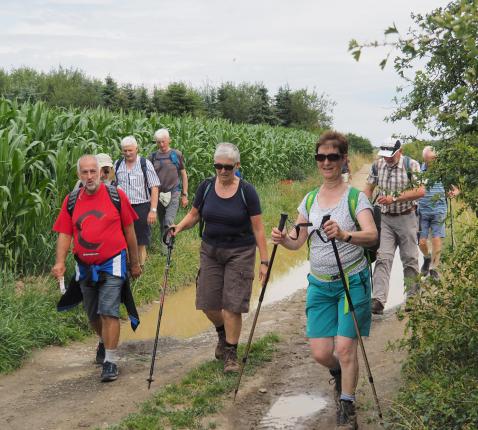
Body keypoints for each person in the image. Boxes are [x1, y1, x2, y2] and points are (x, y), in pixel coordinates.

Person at [272, 131, 377, 429]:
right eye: (321, 157)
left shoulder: (356, 199)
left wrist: (345, 235)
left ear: (344, 160)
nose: (326, 162)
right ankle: (341, 376)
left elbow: (372, 235)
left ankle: (347, 406)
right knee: (321, 353)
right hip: (319, 283)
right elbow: (297, 241)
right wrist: (283, 240)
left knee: (344, 348)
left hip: (351, 282)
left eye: (333, 157)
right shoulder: (309, 200)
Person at [171, 143, 269, 374]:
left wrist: (264, 261)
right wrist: (178, 227)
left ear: (237, 166)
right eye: (218, 166)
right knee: (207, 302)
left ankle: (231, 353)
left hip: (240, 253)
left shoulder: (247, 191)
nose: (222, 171)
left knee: (232, 305)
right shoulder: (206, 187)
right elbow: (194, 215)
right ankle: (223, 333)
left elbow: (259, 229)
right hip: (211, 251)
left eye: (227, 167)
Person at [51, 155, 142, 382]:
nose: (90, 176)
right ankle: (103, 340)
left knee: (108, 310)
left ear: (101, 172)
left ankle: (110, 361)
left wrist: (134, 262)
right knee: (93, 315)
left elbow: (129, 230)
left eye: (93, 171)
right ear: (79, 175)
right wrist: (60, 262)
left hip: (113, 263)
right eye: (85, 172)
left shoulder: (116, 196)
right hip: (85, 267)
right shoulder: (72, 200)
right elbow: (65, 233)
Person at [364, 138, 425, 315]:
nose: (388, 159)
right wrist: (363, 205)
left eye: (391, 156)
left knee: (410, 259)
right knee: (383, 258)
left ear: (400, 151)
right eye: (385, 156)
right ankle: (378, 300)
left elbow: (421, 191)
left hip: (407, 217)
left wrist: (395, 198)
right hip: (385, 219)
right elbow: (368, 188)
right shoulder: (377, 166)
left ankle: (413, 299)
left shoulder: (411, 165)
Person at [114, 136, 160, 266]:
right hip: (122, 208)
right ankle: (129, 267)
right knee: (124, 240)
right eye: (125, 151)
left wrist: (153, 210)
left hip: (141, 207)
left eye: (130, 150)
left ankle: (140, 268)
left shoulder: (145, 164)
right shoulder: (117, 164)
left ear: (136, 149)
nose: (128, 153)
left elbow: (154, 187)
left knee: (140, 241)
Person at [418, 146, 459, 280]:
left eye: (434, 159)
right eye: (429, 160)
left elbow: (456, 189)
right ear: (424, 159)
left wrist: (453, 193)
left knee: (436, 239)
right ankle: (427, 258)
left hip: (439, 211)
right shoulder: (418, 171)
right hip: (422, 211)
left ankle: (434, 269)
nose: (432, 162)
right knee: (422, 242)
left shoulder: (443, 172)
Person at [149, 129, 189, 253]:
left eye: (163, 141)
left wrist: (184, 195)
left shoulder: (176, 154)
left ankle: (167, 251)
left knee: (168, 221)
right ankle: (166, 244)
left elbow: (183, 174)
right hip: (158, 194)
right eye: (158, 142)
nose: (161, 144)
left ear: (169, 140)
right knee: (161, 222)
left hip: (174, 192)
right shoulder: (153, 157)